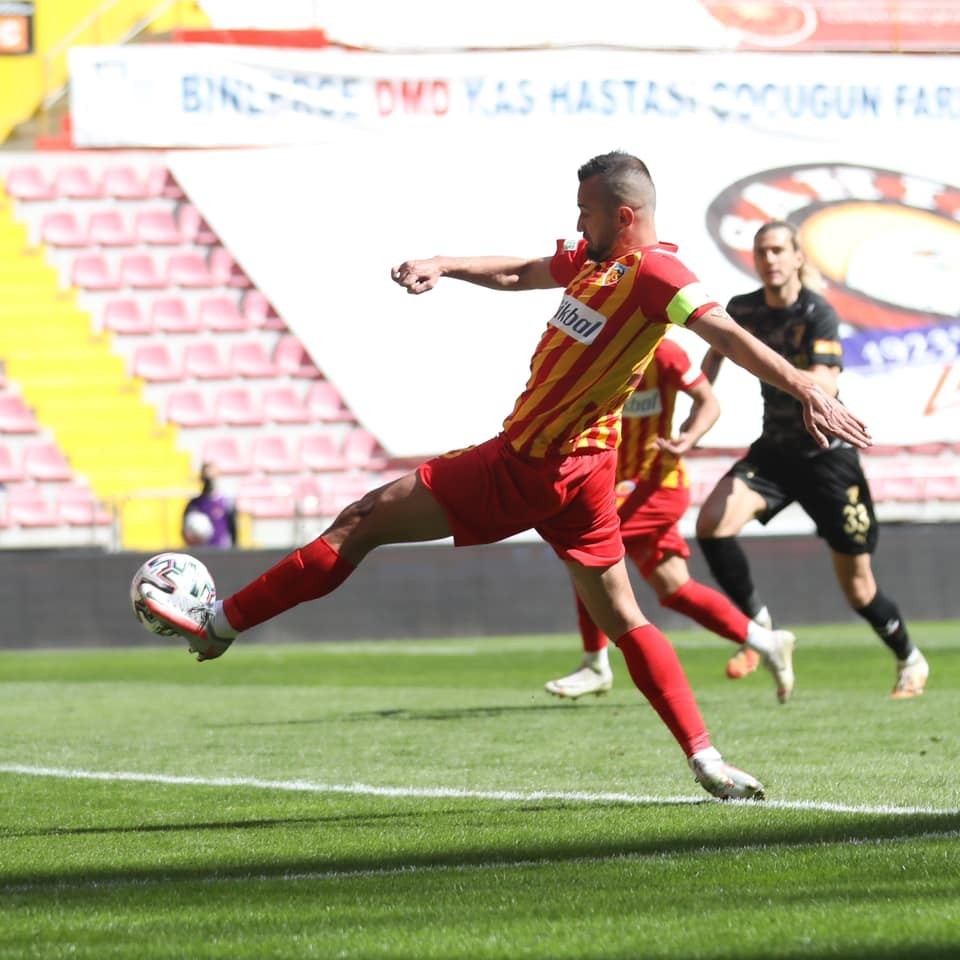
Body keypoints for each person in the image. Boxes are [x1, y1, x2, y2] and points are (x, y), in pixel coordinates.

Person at [138, 151, 871, 801]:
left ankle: (220, 624)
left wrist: (805, 388)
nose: (575, 221)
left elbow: (726, 333)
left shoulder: (656, 271)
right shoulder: (596, 261)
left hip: (528, 463)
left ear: (623, 215)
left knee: (362, 523)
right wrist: (444, 264)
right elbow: (522, 271)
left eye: (584, 210)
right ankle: (706, 758)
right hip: (582, 474)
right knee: (625, 616)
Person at [695, 220, 928, 699]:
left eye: (779, 250)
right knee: (712, 523)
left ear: (799, 256)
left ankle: (910, 658)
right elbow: (718, 344)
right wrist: (701, 393)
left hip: (826, 458)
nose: (770, 259)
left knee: (859, 589)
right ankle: (762, 632)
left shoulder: (817, 312)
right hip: (776, 452)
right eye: (762, 251)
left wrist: (771, 367)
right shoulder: (743, 309)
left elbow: (826, 385)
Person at [545, 337, 795, 701]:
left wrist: (688, 438)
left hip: (656, 485)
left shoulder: (664, 352)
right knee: (674, 588)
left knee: (586, 546)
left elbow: (709, 402)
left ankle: (595, 664)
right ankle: (767, 642)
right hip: (619, 484)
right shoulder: (601, 348)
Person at [181, 462, 236, 549]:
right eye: (206, 478)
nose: (209, 481)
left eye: (212, 477)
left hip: (221, 551)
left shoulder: (225, 502)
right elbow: (184, 530)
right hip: (201, 552)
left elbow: (233, 529)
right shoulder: (194, 504)